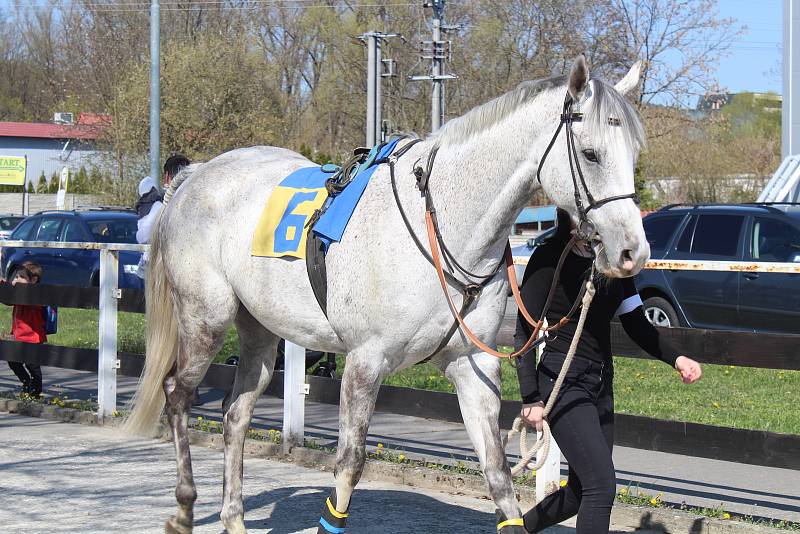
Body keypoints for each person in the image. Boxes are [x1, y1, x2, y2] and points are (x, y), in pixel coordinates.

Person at [514, 209, 702, 534]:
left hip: (599, 383)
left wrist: (676, 358)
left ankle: (514, 531)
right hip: (562, 380)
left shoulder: (612, 259)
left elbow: (636, 322)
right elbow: (524, 331)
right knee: (601, 486)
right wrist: (530, 395)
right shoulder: (548, 259)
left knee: (579, 492)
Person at [5, 262, 47, 397]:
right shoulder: (18, 294)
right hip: (19, 336)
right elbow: (8, 300)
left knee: (32, 365)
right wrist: (4, 285)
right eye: (15, 277)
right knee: (12, 360)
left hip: (32, 337)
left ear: (33, 280)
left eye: (20, 277)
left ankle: (36, 390)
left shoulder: (35, 296)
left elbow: (23, 302)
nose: (15, 280)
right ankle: (27, 382)